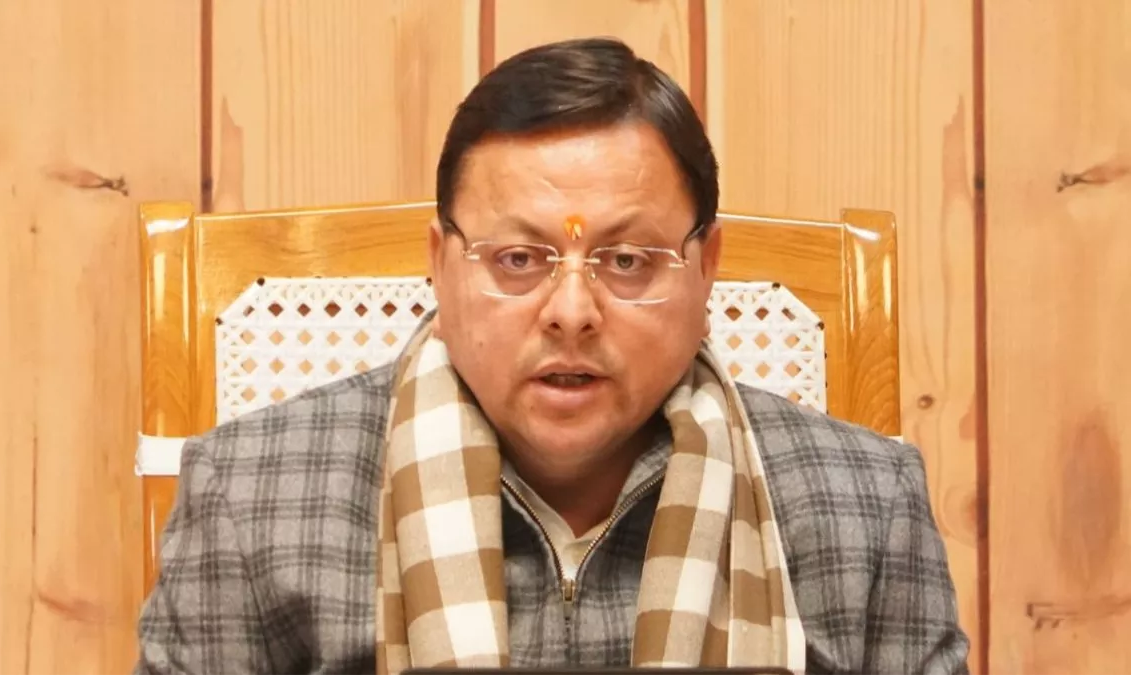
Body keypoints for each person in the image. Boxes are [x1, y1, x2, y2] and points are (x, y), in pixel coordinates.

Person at [134, 37, 970, 674]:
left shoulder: (868, 507)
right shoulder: (250, 497)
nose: (572, 312)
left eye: (628, 260)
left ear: (706, 265)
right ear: (440, 264)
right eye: (518, 259)